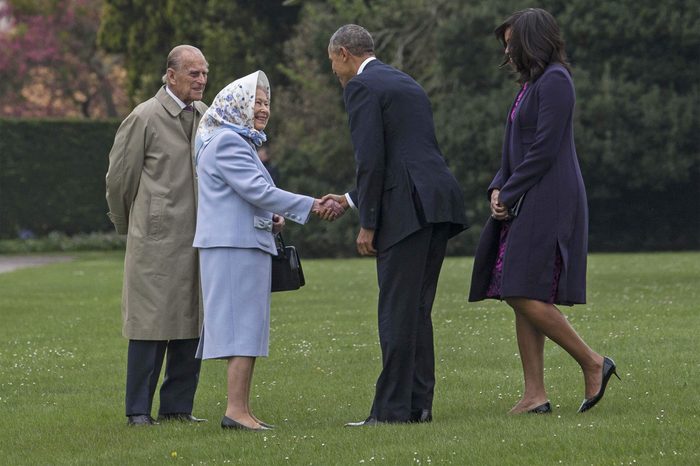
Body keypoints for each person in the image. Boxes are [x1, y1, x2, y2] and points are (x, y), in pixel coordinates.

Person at [468, 8, 619, 414]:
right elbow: (516, 148)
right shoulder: (530, 85)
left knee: (519, 288)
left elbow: (545, 149)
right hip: (527, 195)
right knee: (521, 288)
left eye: (512, 42)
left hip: (550, 197)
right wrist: (498, 186)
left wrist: (511, 191)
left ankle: (592, 361)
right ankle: (535, 394)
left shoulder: (556, 82)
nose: (508, 49)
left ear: (533, 40)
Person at [322, 24, 469, 425]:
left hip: (406, 211)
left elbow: (371, 160)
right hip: (437, 203)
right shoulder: (405, 82)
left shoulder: (361, 88)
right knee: (417, 310)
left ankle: (389, 412)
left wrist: (368, 223)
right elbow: (401, 155)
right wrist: (351, 198)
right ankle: (419, 406)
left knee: (396, 311)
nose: (333, 71)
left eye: (332, 61)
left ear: (344, 54)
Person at [193, 70, 339, 431]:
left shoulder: (235, 141)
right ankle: (235, 411)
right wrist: (309, 205)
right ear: (237, 104)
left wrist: (271, 215)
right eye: (256, 102)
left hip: (242, 243)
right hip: (233, 246)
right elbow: (257, 190)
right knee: (241, 327)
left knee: (248, 327)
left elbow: (246, 195)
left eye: (266, 103)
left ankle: (241, 410)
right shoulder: (228, 142)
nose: (263, 109)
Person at [105, 45, 209, 426]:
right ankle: (137, 411)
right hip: (154, 238)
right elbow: (119, 180)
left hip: (198, 237)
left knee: (191, 321)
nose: (201, 80)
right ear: (170, 75)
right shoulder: (143, 117)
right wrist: (129, 225)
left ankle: (178, 408)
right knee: (150, 326)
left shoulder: (205, 116)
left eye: (204, 73)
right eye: (193, 73)